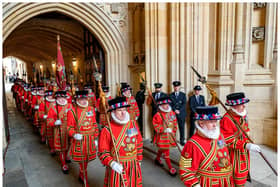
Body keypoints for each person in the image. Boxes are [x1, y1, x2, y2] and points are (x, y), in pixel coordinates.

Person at [179, 106, 234, 187]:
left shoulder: (219, 136)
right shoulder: (192, 144)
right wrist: (195, 185)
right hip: (208, 183)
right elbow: (186, 170)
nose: (215, 125)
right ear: (201, 123)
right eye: (211, 122)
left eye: (216, 121)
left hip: (227, 182)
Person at [98, 97, 143, 187]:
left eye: (124, 109)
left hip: (133, 165)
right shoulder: (107, 130)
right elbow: (102, 152)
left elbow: (139, 143)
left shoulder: (133, 124)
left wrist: (139, 158)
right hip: (117, 166)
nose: (123, 113)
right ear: (113, 112)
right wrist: (112, 163)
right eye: (119, 110)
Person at [220, 92, 261, 187]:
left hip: (243, 152)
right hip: (233, 154)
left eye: (244, 104)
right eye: (241, 104)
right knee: (235, 176)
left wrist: (250, 141)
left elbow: (246, 129)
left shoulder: (242, 115)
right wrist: (246, 145)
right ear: (234, 106)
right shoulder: (227, 119)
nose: (244, 106)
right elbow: (227, 139)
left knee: (243, 173)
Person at [67, 90, 99, 187]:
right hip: (80, 140)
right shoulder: (72, 111)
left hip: (90, 139)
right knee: (82, 160)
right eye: (81, 99)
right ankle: (84, 177)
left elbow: (94, 124)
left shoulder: (91, 109)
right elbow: (69, 127)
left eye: (85, 98)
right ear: (77, 100)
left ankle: (82, 173)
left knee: (87, 159)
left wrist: (95, 136)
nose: (84, 101)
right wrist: (74, 134)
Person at [47, 90, 72, 174]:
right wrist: (54, 122)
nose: (61, 99)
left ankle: (66, 155)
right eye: (59, 97)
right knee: (62, 148)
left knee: (68, 145)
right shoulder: (53, 107)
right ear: (56, 98)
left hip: (69, 129)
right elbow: (49, 121)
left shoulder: (70, 106)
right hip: (59, 130)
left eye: (63, 97)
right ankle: (64, 163)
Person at [153, 96, 178, 176]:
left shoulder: (172, 113)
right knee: (166, 151)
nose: (167, 105)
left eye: (167, 104)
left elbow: (174, 123)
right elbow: (155, 125)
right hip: (162, 137)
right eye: (164, 104)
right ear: (160, 106)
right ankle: (170, 167)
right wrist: (163, 129)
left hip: (170, 136)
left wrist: (173, 131)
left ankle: (157, 159)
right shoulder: (157, 115)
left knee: (162, 149)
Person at [170, 81, 187, 146]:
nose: (176, 88)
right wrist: (174, 110)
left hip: (181, 113)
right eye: (175, 86)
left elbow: (184, 104)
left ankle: (182, 140)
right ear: (173, 87)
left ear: (179, 87)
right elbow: (170, 104)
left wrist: (179, 110)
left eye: (177, 86)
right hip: (173, 114)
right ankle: (172, 140)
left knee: (181, 127)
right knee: (173, 127)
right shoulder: (171, 95)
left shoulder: (183, 95)